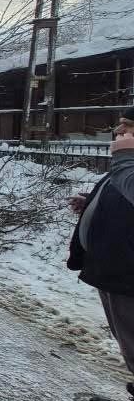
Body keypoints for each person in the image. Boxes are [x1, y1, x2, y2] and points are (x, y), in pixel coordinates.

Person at [68, 110, 134, 400]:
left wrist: (124, 157)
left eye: (128, 127)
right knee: (128, 342)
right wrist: (93, 202)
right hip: (113, 270)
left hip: (128, 276)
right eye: (120, 126)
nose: (119, 132)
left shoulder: (126, 163)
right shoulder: (126, 165)